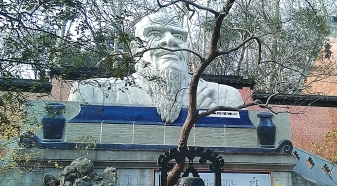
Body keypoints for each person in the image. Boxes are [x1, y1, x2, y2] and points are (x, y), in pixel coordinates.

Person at [69, 12, 243, 123]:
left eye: (178, 36)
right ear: (136, 48)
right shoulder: (91, 93)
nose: (170, 40)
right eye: (154, 33)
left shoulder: (226, 98)